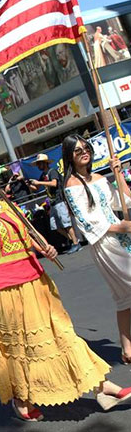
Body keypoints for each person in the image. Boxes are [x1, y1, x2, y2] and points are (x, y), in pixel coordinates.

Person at [0, 160, 131, 419]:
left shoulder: (6, 205)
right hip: (4, 289)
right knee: (20, 348)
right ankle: (21, 400)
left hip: (34, 279)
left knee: (63, 333)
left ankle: (102, 386)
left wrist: (44, 248)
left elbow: (26, 235)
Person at [62, 134, 131, 365]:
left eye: (86, 148)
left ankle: (127, 349)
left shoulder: (100, 178)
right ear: (69, 157)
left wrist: (118, 174)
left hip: (123, 237)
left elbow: (124, 202)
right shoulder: (71, 185)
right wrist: (121, 227)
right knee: (126, 292)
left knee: (125, 297)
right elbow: (87, 223)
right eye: (77, 150)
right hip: (106, 244)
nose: (84, 152)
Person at [29, 153, 81, 253]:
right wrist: (29, 184)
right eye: (38, 164)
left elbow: (54, 183)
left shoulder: (52, 171)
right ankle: (73, 240)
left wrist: (39, 182)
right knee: (55, 226)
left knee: (66, 223)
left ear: (45, 163)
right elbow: (36, 188)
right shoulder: (43, 175)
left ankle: (75, 243)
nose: (38, 166)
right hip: (53, 202)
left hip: (60, 200)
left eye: (40, 163)